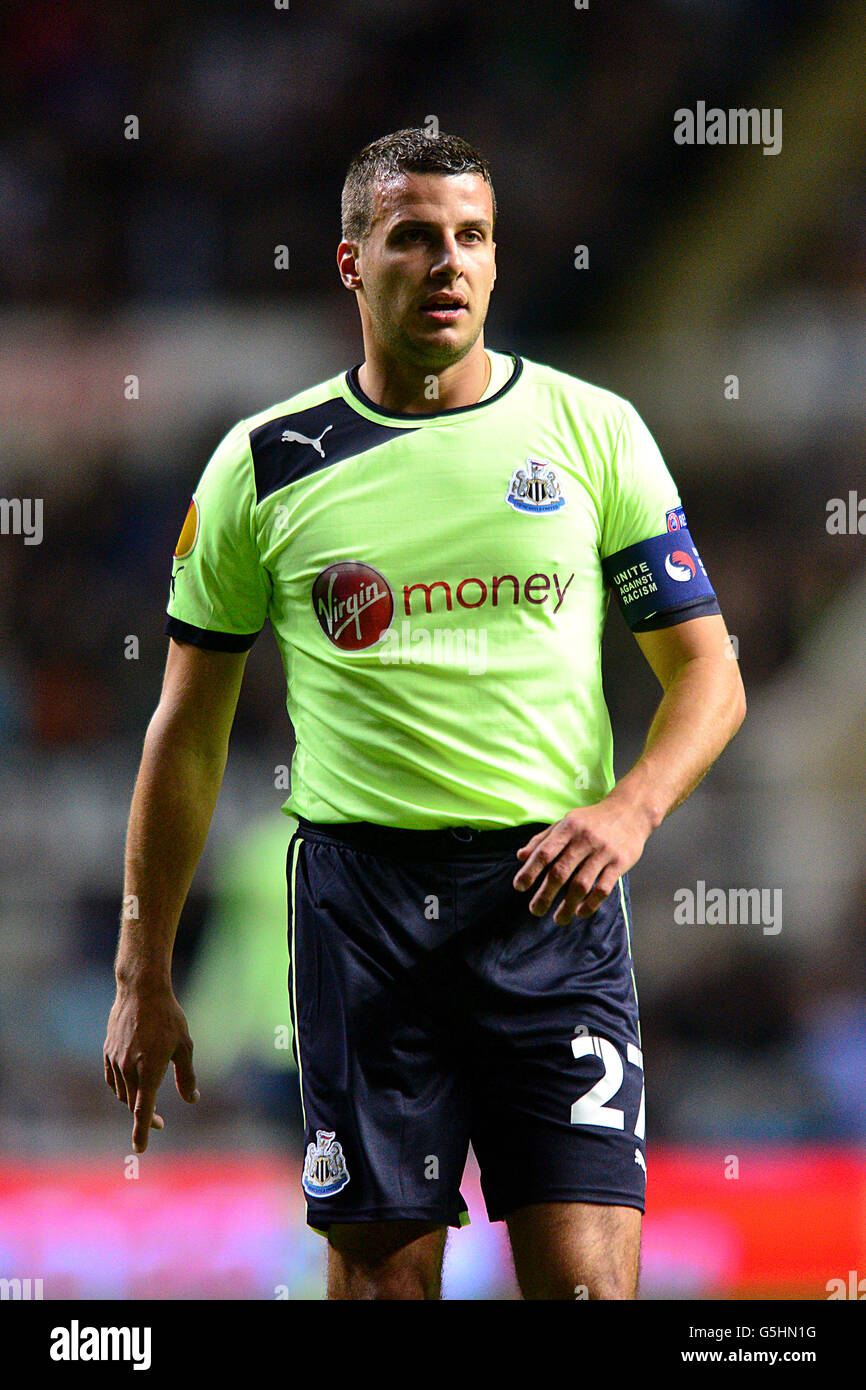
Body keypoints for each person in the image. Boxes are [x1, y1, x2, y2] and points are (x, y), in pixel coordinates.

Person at [104, 128, 746, 1300]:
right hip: (363, 917)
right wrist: (144, 970)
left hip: (553, 897)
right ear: (351, 263)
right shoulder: (263, 467)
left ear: (495, 261)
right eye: (412, 237)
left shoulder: (591, 430)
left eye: (470, 238)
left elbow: (708, 671)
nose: (446, 263)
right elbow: (185, 733)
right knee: (386, 1287)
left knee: (592, 1289)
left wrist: (630, 810)